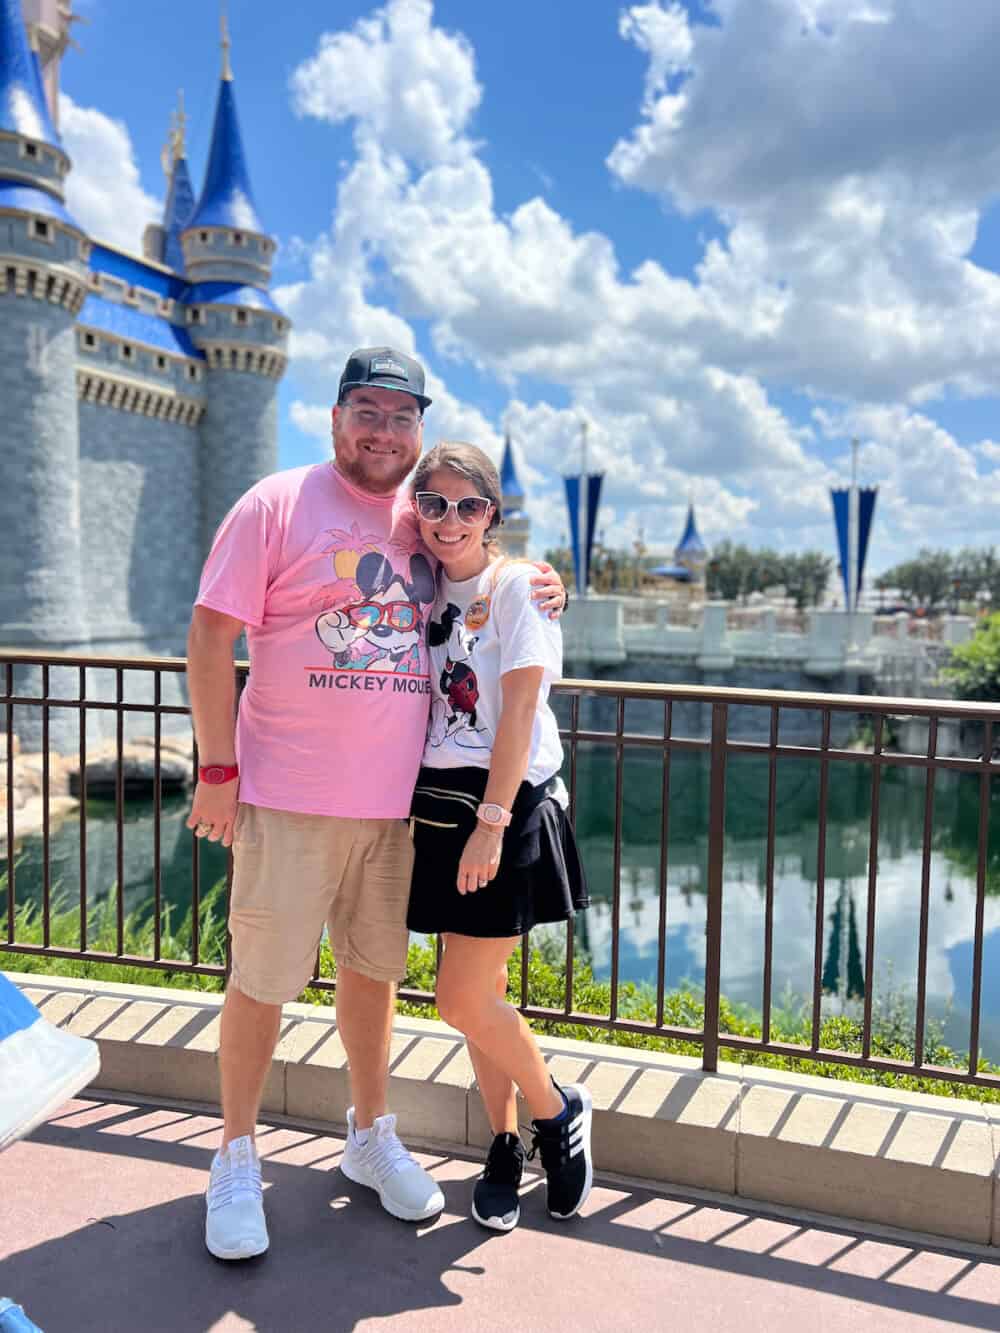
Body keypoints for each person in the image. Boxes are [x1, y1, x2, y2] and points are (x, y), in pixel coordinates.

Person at [186, 347, 566, 1260]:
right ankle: (235, 1151)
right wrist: (216, 769)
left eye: (402, 416)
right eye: (368, 409)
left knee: (371, 973)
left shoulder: (420, 517)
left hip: (397, 808)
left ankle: (369, 1132)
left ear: (420, 430)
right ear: (335, 417)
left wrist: (545, 575)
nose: (383, 430)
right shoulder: (275, 503)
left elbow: (486, 565)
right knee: (262, 979)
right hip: (288, 795)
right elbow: (208, 635)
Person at [406, 441, 591, 1233]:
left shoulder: (518, 586)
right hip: (438, 807)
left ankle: (557, 1112)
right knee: (483, 996)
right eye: (434, 502)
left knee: (459, 996)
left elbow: (518, 711)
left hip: (499, 808)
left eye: (468, 505)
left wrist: (492, 824)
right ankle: (506, 1141)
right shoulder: (414, 580)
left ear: (493, 514)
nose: (449, 519)